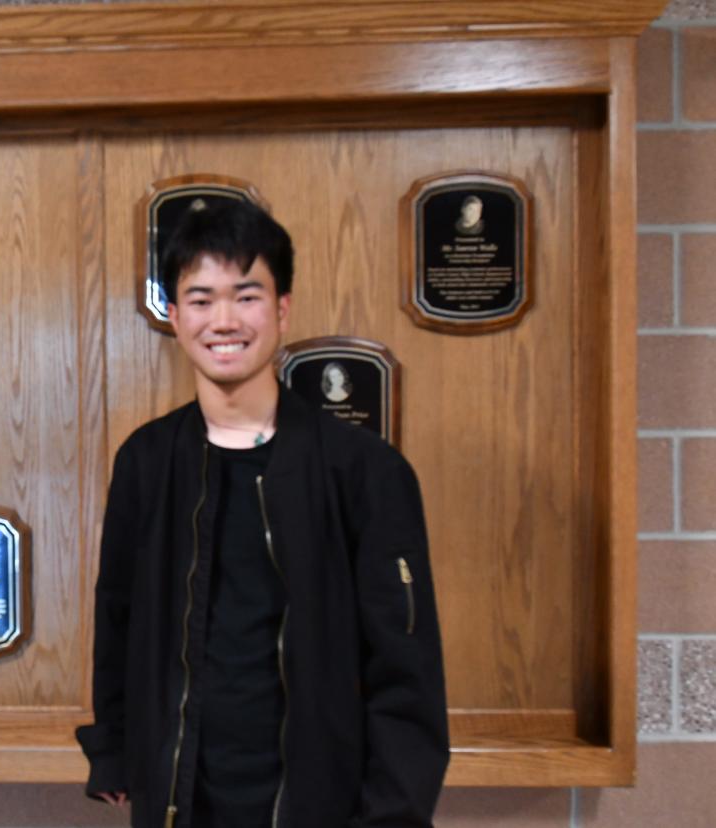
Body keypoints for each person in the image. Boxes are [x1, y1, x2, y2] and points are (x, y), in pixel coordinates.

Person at [76, 200, 448, 827]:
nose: (223, 320)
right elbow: (119, 615)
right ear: (173, 314)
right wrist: (111, 749)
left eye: (246, 296)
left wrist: (394, 814)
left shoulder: (363, 472)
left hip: (317, 801)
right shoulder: (146, 460)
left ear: (281, 309)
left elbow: (406, 670)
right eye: (200, 299)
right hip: (181, 795)